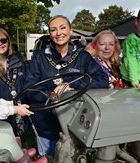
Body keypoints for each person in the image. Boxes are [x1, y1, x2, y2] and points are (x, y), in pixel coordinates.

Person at [25, 15, 109, 157]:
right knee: (48, 158)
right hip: (46, 124)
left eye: (63, 27)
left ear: (70, 30)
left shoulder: (83, 56)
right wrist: (52, 95)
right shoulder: (40, 57)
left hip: (76, 125)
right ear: (50, 34)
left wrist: (72, 85)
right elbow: (29, 88)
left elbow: (102, 80)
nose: (59, 33)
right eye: (53, 30)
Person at [0, 27, 26, 136]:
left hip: (20, 112)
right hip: (0, 115)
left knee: (21, 141)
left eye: (3, 40)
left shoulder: (18, 60)